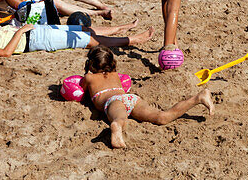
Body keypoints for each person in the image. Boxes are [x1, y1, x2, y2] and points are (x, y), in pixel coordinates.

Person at [80, 45, 213, 149]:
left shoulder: (89, 77)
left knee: (119, 118)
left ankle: (116, 126)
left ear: (90, 64)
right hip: (131, 98)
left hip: (114, 101)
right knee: (161, 117)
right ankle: (199, 97)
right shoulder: (115, 75)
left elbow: (81, 92)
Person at [0, 14, 152, 58]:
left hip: (34, 31)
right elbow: (5, 53)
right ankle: (133, 40)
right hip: (34, 40)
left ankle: (119, 29)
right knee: (90, 41)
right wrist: (21, 31)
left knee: (83, 31)